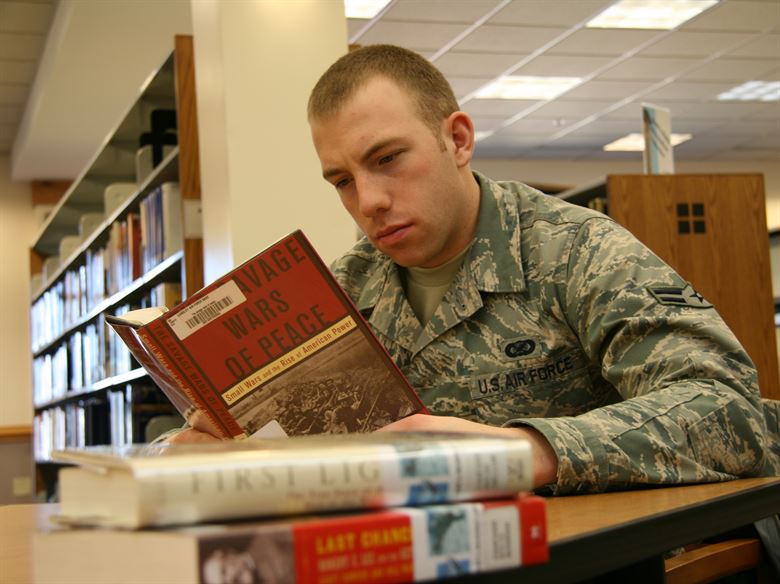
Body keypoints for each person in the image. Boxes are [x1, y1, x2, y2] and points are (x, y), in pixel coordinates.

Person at [173, 44, 778, 498]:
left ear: (457, 139)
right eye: (342, 180)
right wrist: (226, 456)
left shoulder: (575, 250)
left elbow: (729, 409)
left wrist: (528, 451)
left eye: (387, 159)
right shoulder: (343, 291)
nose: (369, 200)